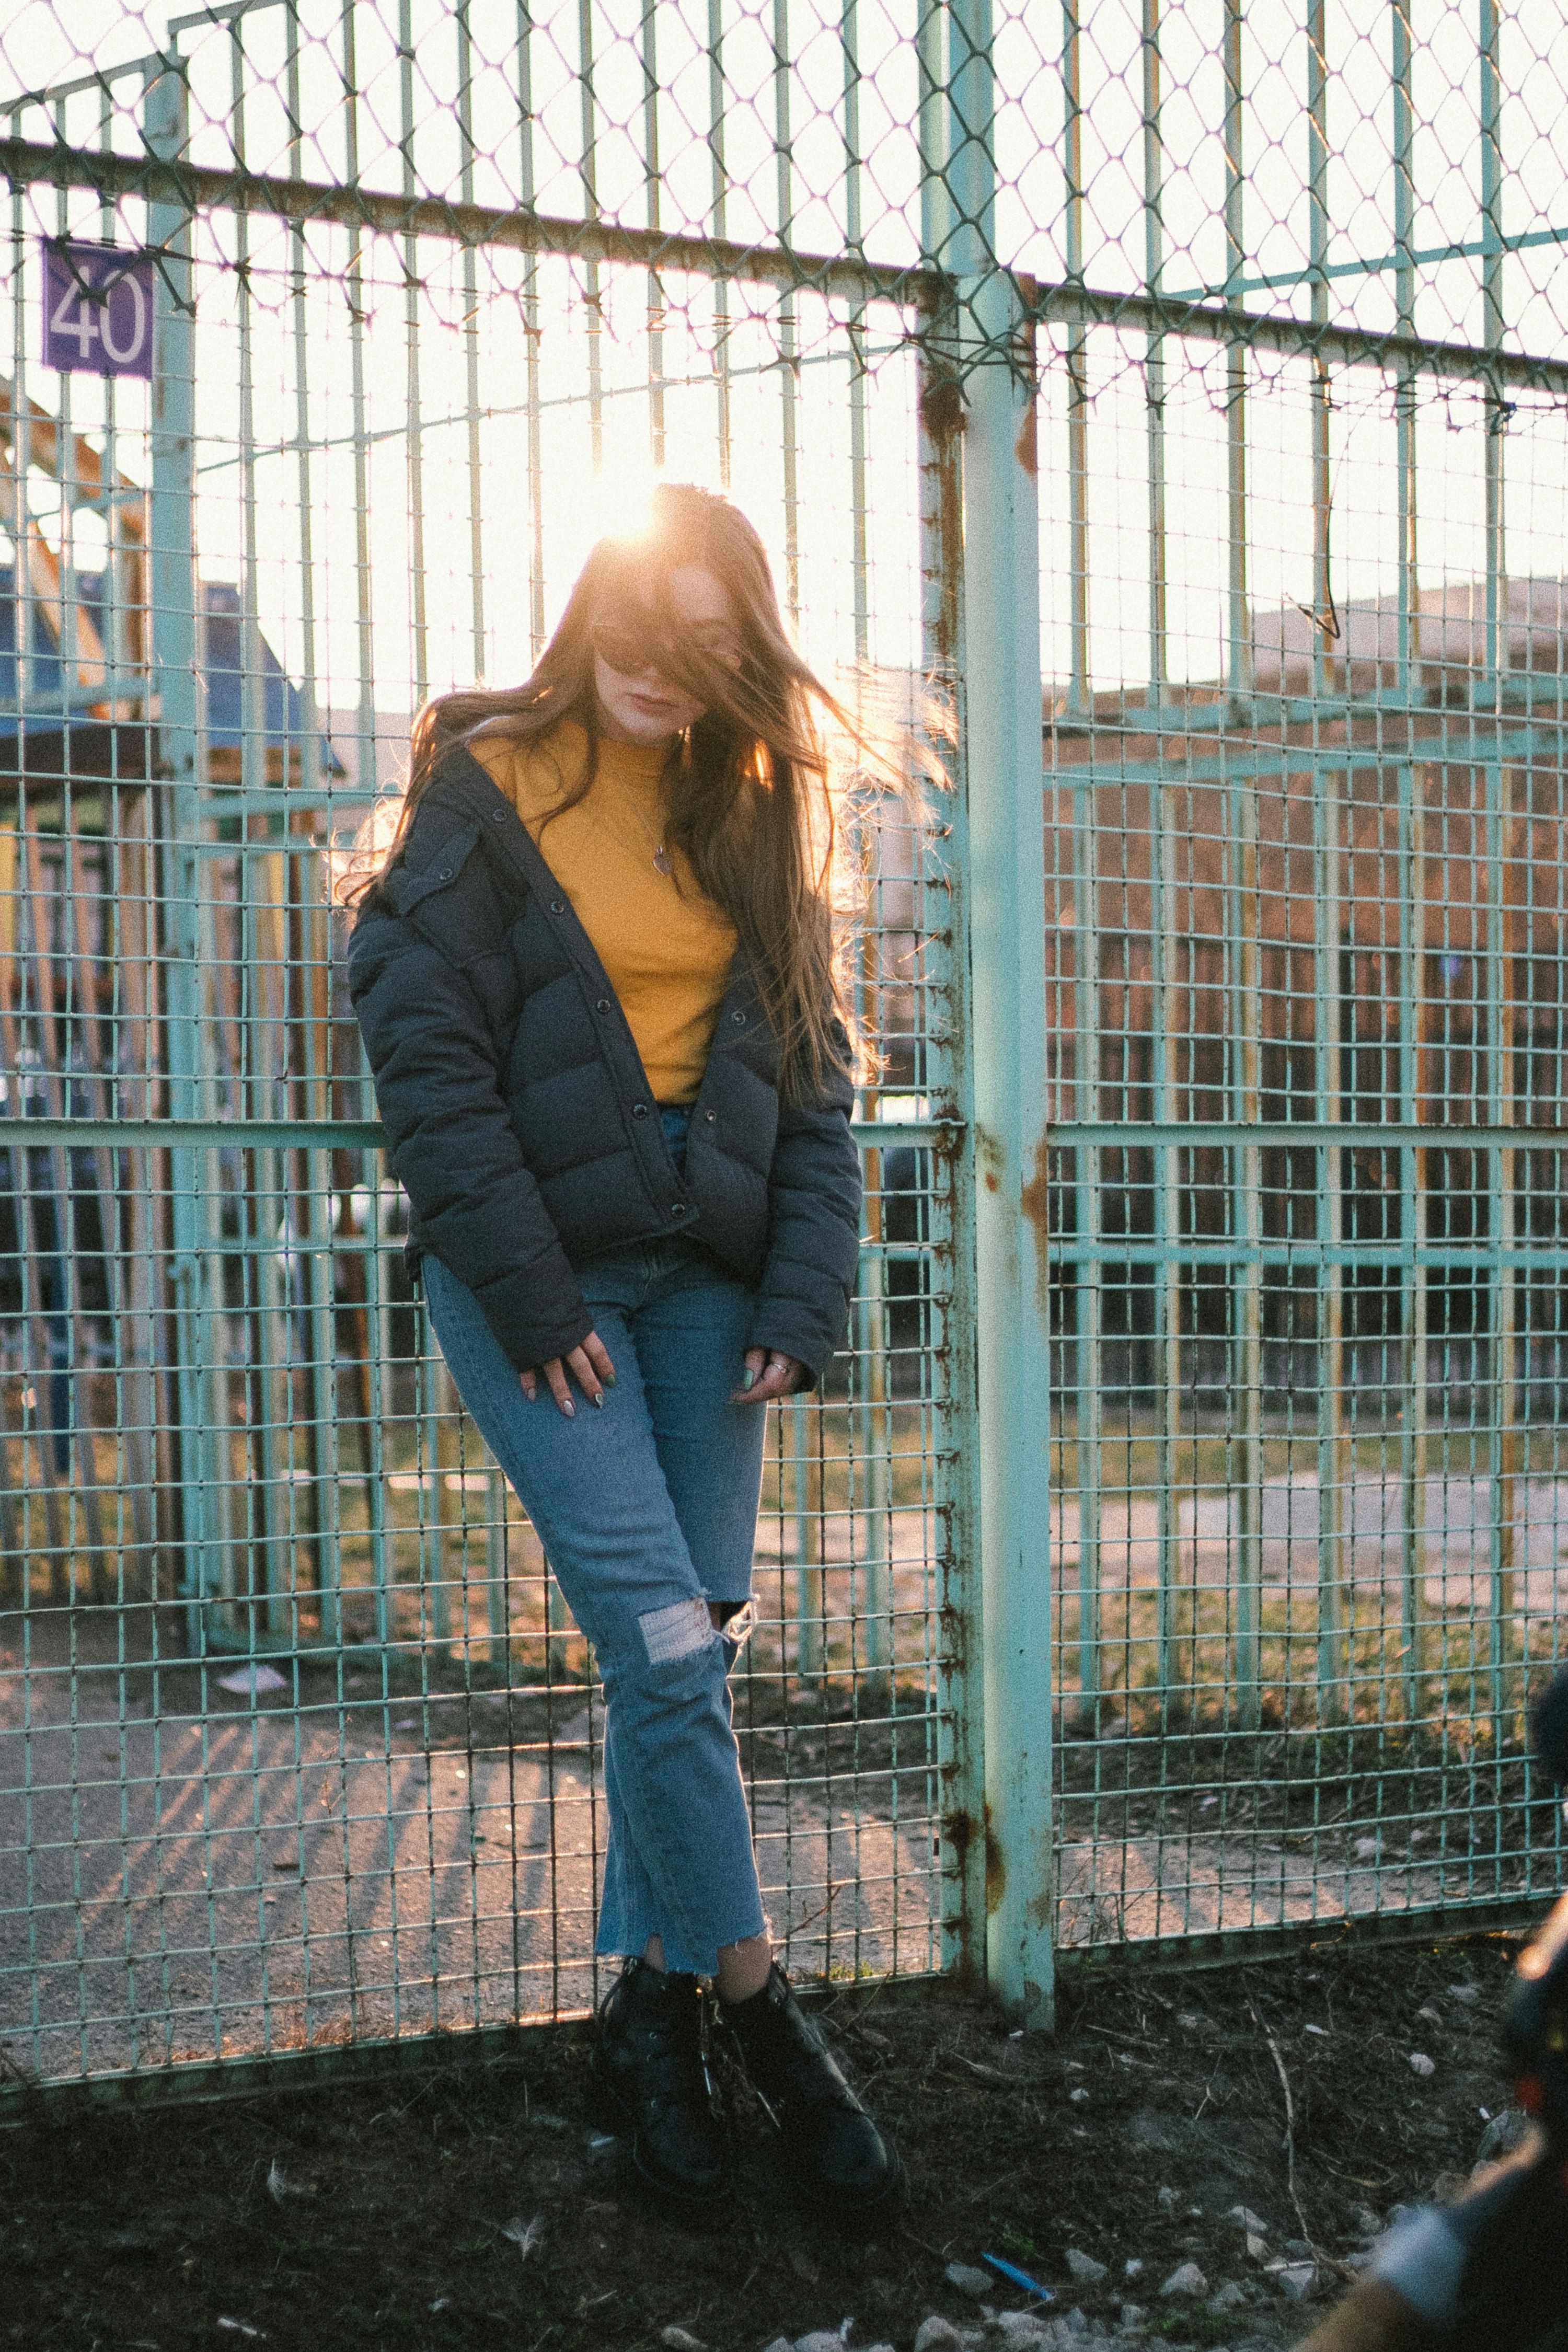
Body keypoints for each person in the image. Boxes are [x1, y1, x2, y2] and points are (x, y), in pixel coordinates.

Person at [343, 482, 898, 2211]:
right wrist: (538, 1296)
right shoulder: (484, 786)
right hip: (546, 1299)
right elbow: (424, 1060)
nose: (665, 668)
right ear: (591, 611)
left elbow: (817, 1078)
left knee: (684, 1663)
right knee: (664, 1648)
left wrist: (803, 1307)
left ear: (742, 653)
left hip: (715, 1307)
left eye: (707, 642)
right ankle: (766, 2017)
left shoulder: (753, 815)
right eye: (643, 628)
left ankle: (643, 2029)